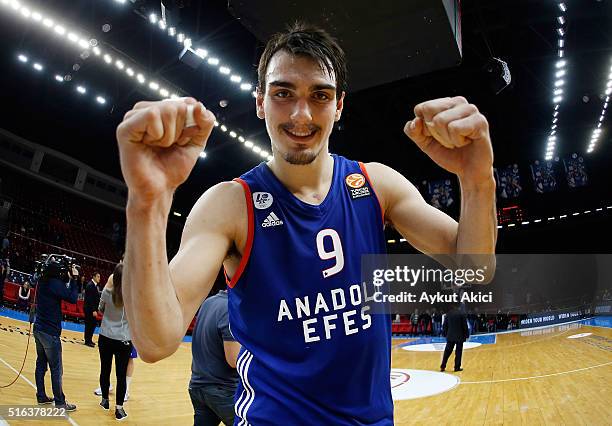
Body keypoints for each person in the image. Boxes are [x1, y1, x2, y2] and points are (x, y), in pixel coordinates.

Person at [117, 23, 497, 423]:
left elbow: (474, 270)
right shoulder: (230, 205)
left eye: (320, 95)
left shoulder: (375, 184)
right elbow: (155, 342)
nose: (301, 114)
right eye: (283, 93)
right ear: (261, 101)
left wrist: (477, 180)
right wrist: (147, 204)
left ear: (339, 105)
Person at [189, 290, 241, 426]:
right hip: (222, 390)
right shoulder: (231, 309)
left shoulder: (209, 302)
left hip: (198, 385)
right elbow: (234, 360)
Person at [33, 262, 78, 411]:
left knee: (41, 364)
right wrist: (75, 279)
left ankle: (41, 396)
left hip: (38, 329)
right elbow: (72, 298)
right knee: (56, 369)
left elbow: (60, 284)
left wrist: (66, 278)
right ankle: (60, 403)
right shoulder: (55, 283)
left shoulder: (42, 280)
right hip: (50, 333)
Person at [97, 263, 131, 421]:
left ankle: (104, 401)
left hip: (105, 336)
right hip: (123, 339)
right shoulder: (131, 296)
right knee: (121, 375)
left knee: (105, 369)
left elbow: (100, 310)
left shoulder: (106, 291)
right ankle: (119, 408)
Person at [440, 303, 470, 372]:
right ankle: (457, 367)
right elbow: (464, 326)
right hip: (460, 336)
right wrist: (467, 335)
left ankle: (443, 366)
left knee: (447, 352)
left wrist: (444, 334)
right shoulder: (461, 314)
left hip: (450, 336)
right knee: (458, 352)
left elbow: (445, 325)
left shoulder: (448, 314)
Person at [83, 272, 101, 347]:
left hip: (92, 309)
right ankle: (87, 340)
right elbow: (90, 300)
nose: (99, 278)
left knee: (92, 324)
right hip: (89, 310)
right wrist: (93, 310)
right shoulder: (90, 285)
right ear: (94, 277)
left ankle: (89, 339)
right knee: (89, 325)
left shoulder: (94, 286)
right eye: (98, 276)